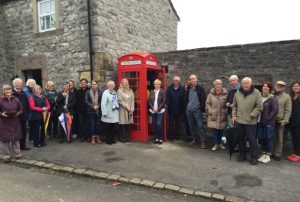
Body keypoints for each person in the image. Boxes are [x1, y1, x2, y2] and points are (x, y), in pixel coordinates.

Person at [232, 77, 263, 165]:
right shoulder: (238, 93)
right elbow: (234, 105)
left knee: (252, 140)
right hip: (240, 121)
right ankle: (242, 155)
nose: (245, 85)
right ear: (242, 84)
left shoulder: (256, 93)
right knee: (240, 139)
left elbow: (260, 106)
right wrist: (234, 115)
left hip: (251, 122)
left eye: (247, 83)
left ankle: (254, 157)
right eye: (244, 83)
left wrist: (252, 115)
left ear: (250, 84)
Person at [0, 84, 23, 162]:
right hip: (4, 122)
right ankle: (7, 157)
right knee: (5, 140)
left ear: (11, 91)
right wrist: (1, 114)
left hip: (15, 121)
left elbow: (21, 109)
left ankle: (18, 155)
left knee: (16, 139)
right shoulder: (0, 100)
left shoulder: (16, 99)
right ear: (3, 92)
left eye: (9, 91)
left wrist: (18, 113)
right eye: (6, 91)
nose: (8, 92)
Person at [257, 82, 278, 163]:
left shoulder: (272, 98)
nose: (265, 88)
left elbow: (274, 110)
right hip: (259, 121)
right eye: (264, 86)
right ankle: (264, 153)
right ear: (262, 88)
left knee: (268, 138)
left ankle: (268, 155)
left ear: (269, 88)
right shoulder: (259, 97)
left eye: (267, 87)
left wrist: (267, 119)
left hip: (268, 123)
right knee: (261, 138)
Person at [205, 79, 228, 151]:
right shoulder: (210, 94)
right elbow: (207, 104)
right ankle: (215, 144)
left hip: (222, 115)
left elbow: (228, 103)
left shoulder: (226, 94)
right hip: (213, 115)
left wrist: (226, 109)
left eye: (219, 84)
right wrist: (210, 110)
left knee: (221, 131)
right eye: (216, 84)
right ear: (214, 86)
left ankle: (220, 143)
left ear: (221, 85)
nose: (218, 86)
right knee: (214, 131)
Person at [185, 74, 207, 148]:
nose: (192, 80)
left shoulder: (200, 89)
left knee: (200, 126)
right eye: (191, 79)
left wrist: (201, 109)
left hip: (197, 110)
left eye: (193, 79)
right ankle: (194, 139)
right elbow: (185, 98)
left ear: (197, 80)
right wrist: (185, 88)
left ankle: (203, 142)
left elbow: (203, 99)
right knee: (191, 126)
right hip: (189, 110)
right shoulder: (188, 89)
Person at [273, 81, 292, 161]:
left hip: (280, 120)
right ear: (275, 86)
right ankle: (270, 152)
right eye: (278, 85)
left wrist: (285, 120)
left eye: (282, 86)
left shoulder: (287, 97)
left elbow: (288, 109)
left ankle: (277, 153)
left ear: (284, 87)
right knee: (270, 137)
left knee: (279, 137)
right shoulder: (271, 94)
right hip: (270, 120)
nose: (279, 87)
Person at [12, 78, 31, 150]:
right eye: (17, 82)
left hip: (23, 116)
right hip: (14, 116)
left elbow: (27, 104)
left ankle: (22, 146)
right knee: (15, 132)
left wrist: (27, 114)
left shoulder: (24, 93)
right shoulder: (11, 93)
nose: (18, 84)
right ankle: (15, 148)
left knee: (23, 131)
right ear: (13, 84)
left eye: (20, 83)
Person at [166, 76, 185, 140]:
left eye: (177, 80)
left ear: (179, 81)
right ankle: (171, 136)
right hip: (171, 109)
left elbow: (184, 98)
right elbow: (167, 97)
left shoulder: (182, 88)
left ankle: (178, 136)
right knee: (171, 124)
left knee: (178, 124)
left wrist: (183, 107)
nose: (175, 81)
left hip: (179, 109)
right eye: (174, 80)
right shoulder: (169, 88)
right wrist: (168, 105)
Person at [101, 80, 119, 145]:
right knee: (108, 128)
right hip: (108, 113)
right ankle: (108, 140)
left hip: (114, 113)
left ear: (114, 86)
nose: (111, 86)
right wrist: (104, 113)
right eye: (109, 85)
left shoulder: (115, 92)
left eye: (112, 85)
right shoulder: (105, 93)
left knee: (113, 128)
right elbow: (103, 104)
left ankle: (113, 139)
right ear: (107, 86)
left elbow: (116, 102)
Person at [149, 79, 166, 144]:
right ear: (154, 84)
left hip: (160, 110)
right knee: (155, 124)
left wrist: (158, 108)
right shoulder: (152, 91)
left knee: (159, 124)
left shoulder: (162, 91)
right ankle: (156, 138)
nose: (157, 85)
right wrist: (152, 107)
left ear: (160, 85)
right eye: (155, 84)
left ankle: (160, 138)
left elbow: (164, 100)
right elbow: (149, 101)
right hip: (153, 110)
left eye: (158, 84)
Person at [118, 78, 135, 143]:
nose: (125, 83)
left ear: (127, 83)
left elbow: (133, 100)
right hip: (123, 109)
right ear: (121, 83)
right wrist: (127, 106)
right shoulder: (119, 91)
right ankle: (122, 138)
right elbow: (120, 100)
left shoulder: (130, 90)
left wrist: (132, 109)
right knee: (123, 124)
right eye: (123, 82)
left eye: (126, 82)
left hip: (130, 110)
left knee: (128, 124)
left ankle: (128, 137)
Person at [85, 80, 102, 145]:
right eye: (93, 84)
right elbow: (86, 101)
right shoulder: (88, 92)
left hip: (98, 111)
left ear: (97, 85)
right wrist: (93, 106)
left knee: (97, 125)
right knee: (92, 125)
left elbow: (101, 101)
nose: (94, 85)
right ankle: (92, 138)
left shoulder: (100, 92)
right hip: (90, 111)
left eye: (95, 84)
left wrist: (98, 106)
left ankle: (97, 137)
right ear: (91, 85)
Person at [287, 81, 300, 162]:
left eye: (297, 86)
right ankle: (295, 153)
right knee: (294, 138)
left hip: (299, 122)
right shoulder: (291, 97)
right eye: (294, 86)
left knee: (298, 138)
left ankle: (298, 155)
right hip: (292, 121)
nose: (295, 87)